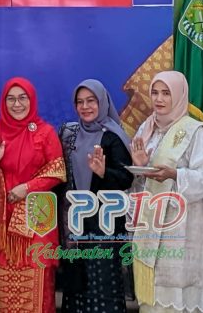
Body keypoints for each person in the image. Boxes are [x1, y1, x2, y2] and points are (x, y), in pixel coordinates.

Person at [128, 71, 203, 312]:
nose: (159, 99)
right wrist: (140, 166)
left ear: (179, 95)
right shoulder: (146, 128)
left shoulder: (194, 131)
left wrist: (175, 175)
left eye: (166, 93)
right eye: (155, 93)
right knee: (153, 299)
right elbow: (138, 183)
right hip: (151, 222)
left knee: (178, 297)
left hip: (182, 228)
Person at [0, 77, 66, 313]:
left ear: (32, 100)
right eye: (11, 99)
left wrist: (27, 188)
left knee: (39, 286)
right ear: (3, 102)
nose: (17, 104)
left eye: (22, 98)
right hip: (5, 224)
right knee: (8, 290)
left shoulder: (45, 132)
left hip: (38, 219)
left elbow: (57, 172)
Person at [55, 79, 134, 313]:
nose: (85, 107)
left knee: (103, 288)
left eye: (91, 101)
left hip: (103, 227)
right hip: (75, 224)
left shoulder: (113, 137)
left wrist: (103, 173)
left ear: (102, 102)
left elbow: (126, 178)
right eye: (80, 102)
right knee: (76, 291)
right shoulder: (69, 134)